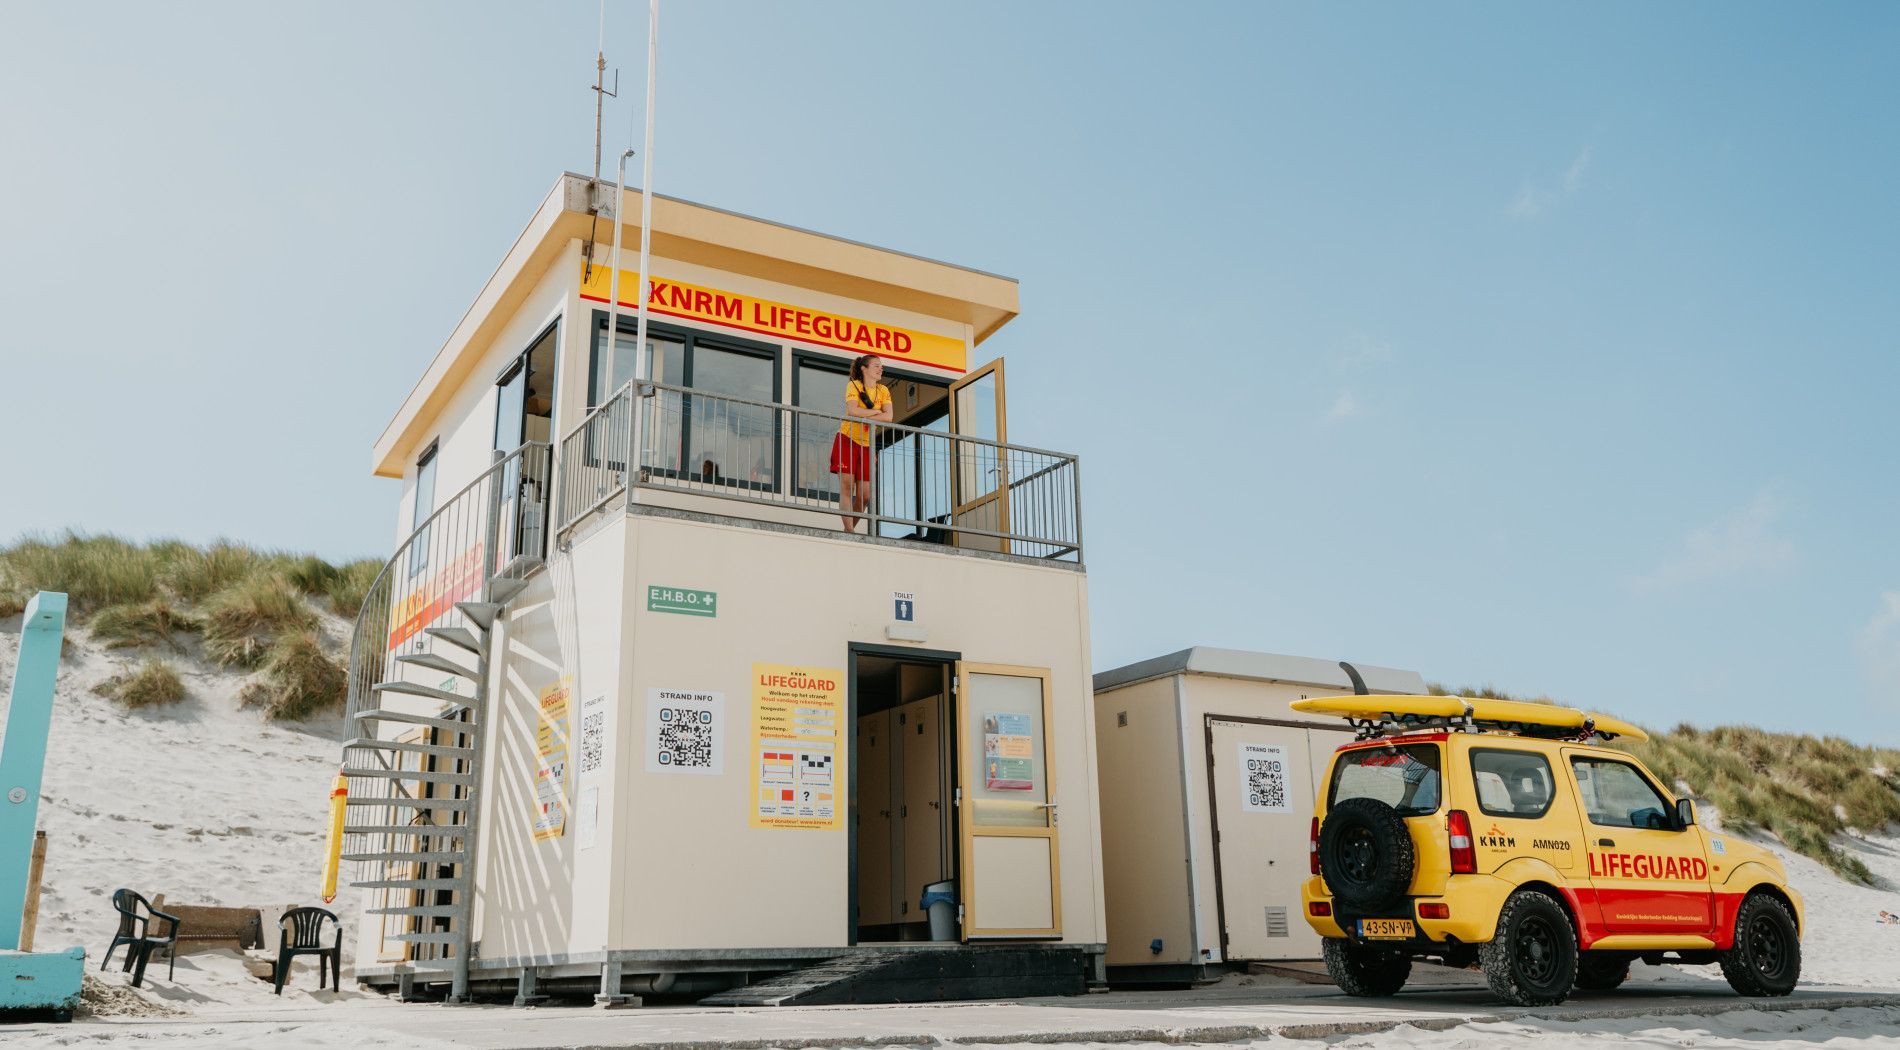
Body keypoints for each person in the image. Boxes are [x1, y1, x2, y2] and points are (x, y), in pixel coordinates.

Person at [830, 354, 892, 532]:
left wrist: (866, 412)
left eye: (881, 366)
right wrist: (876, 411)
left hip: (867, 445)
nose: (881, 369)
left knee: (864, 496)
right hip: (847, 440)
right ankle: (850, 531)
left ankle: (847, 531)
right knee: (847, 488)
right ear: (864, 368)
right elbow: (852, 410)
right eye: (876, 366)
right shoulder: (854, 385)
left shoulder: (883, 391)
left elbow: (889, 416)